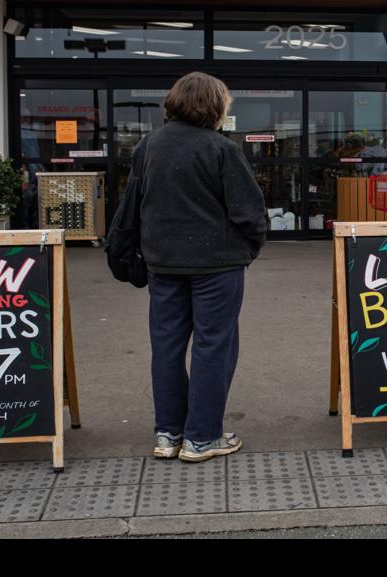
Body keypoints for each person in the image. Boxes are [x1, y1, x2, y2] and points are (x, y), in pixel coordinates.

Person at [115, 71, 267, 460]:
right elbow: (249, 212)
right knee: (213, 346)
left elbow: (135, 202)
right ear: (215, 106)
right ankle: (201, 437)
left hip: (162, 263)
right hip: (217, 264)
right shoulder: (220, 148)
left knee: (166, 345)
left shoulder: (149, 146)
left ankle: (168, 434)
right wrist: (248, 248)